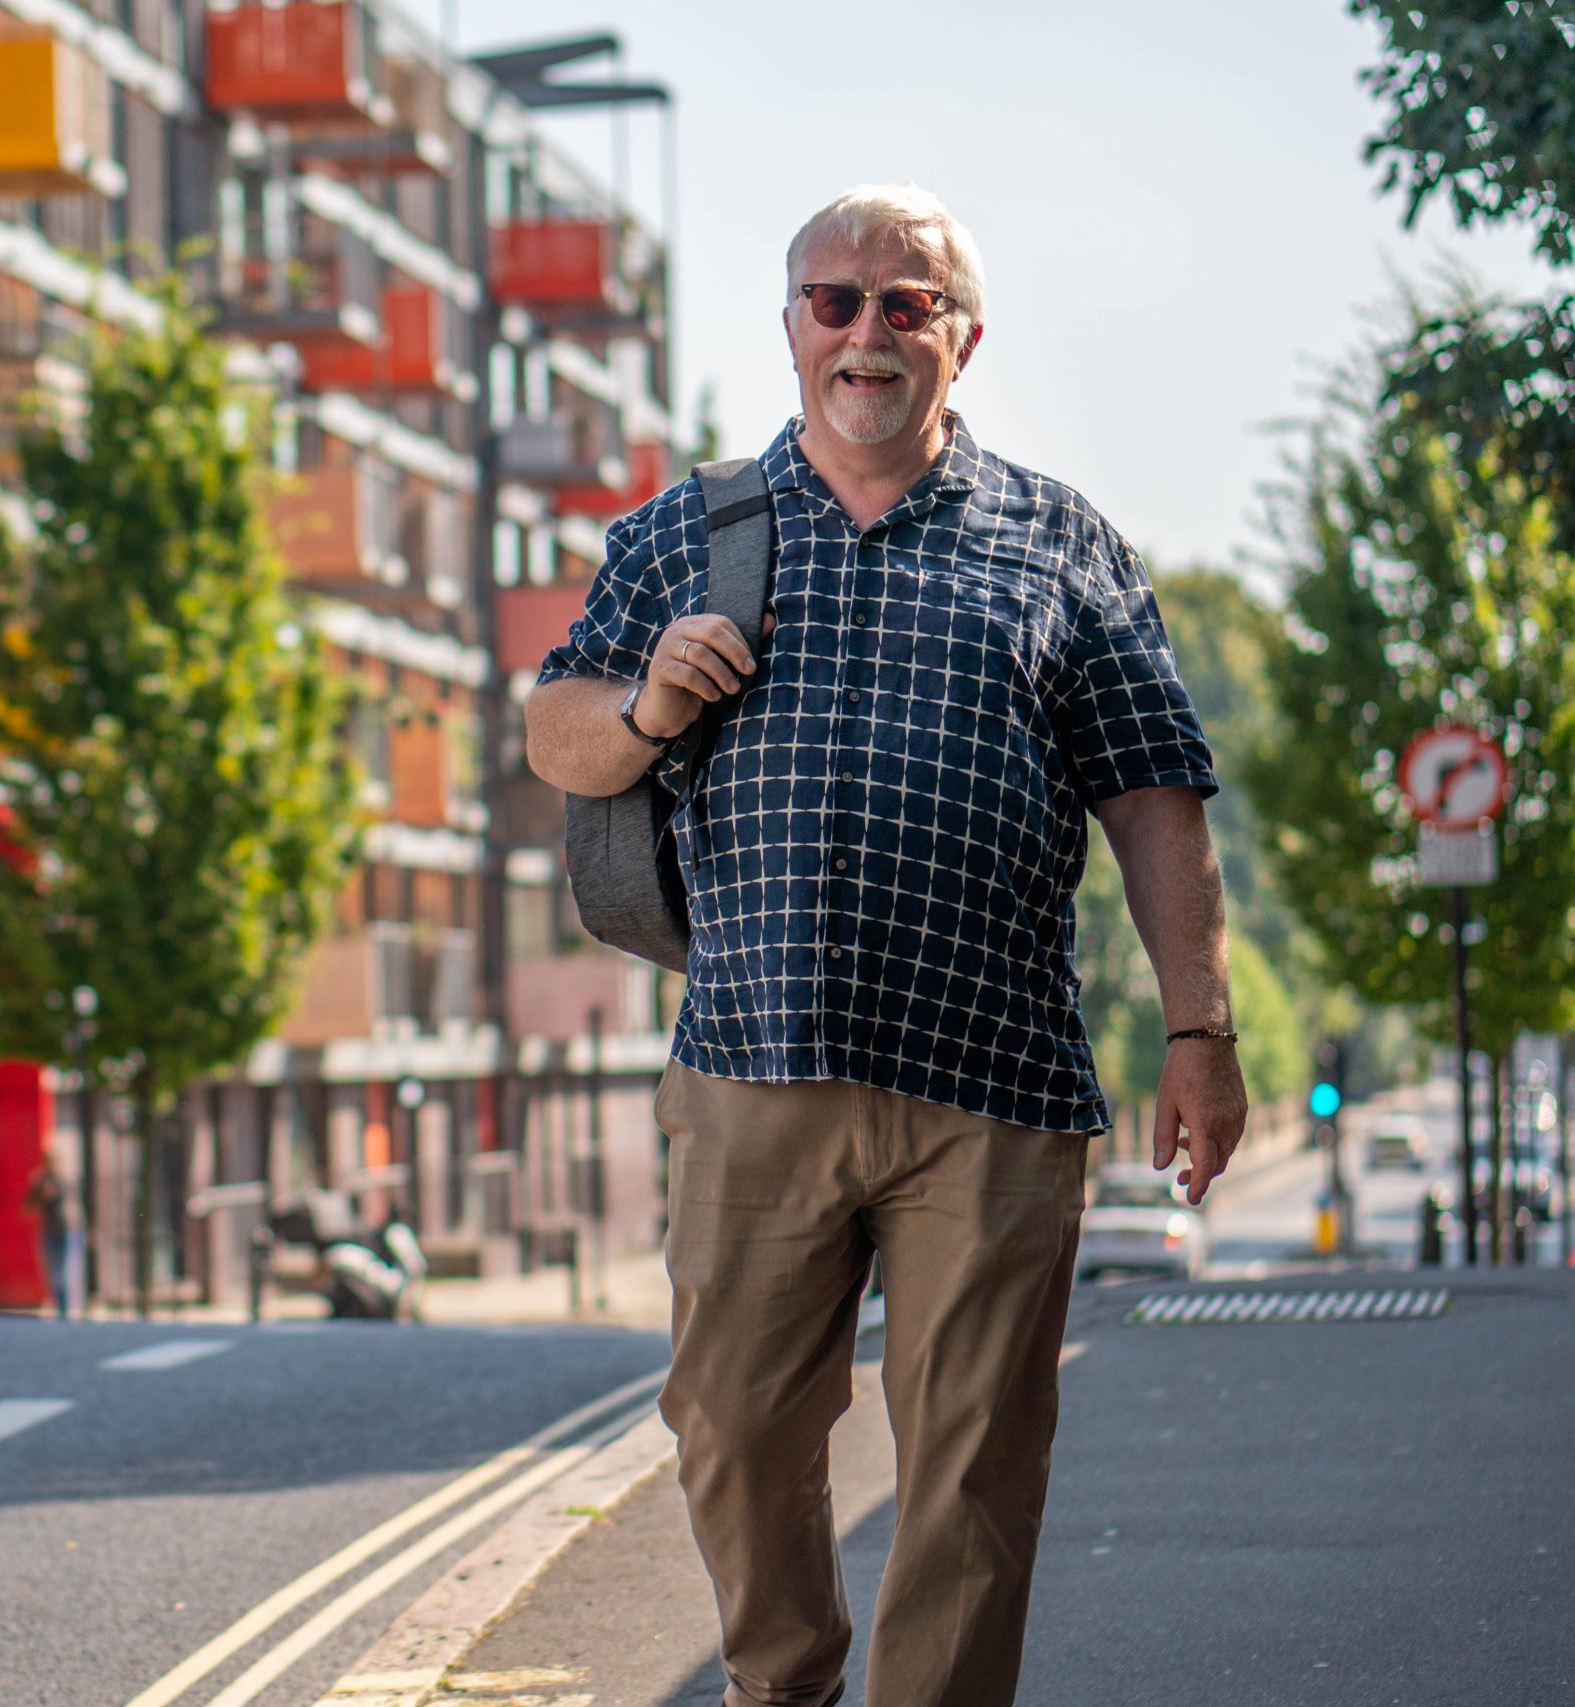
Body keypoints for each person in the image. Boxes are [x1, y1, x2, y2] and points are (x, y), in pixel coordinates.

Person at [524, 184, 1248, 1707]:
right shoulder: (685, 532)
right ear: (793, 326)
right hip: (755, 1060)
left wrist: (1202, 1031)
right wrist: (646, 702)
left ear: (960, 340)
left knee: (974, 1468)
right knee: (730, 1427)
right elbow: (557, 734)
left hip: (994, 1078)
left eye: (905, 304)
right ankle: (780, 1682)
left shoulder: (1061, 541)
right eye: (835, 300)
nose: (866, 330)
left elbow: (1156, 798)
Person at [24, 1146, 81, 1319]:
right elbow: (27, 1208)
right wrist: (36, 1189)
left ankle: (64, 1309)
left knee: (62, 1273)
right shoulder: (41, 1183)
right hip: (49, 1233)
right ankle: (59, 1306)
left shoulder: (63, 1181)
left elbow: (56, 1196)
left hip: (66, 1232)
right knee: (51, 1273)